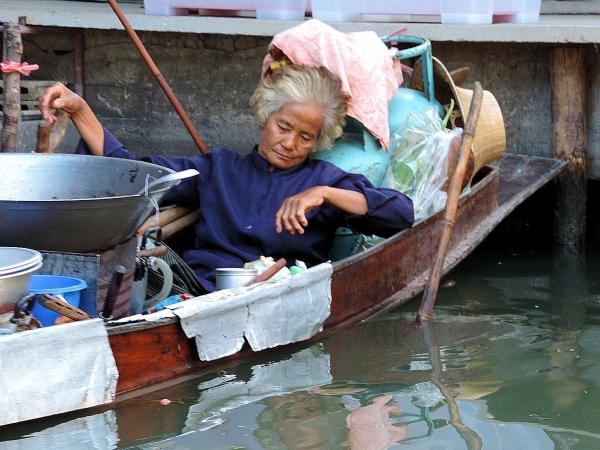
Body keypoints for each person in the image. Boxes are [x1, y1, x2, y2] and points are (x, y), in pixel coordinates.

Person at [39, 65, 414, 293]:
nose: (290, 144)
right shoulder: (218, 168)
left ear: (320, 140)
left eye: (306, 137)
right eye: (283, 127)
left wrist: (327, 195)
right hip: (198, 290)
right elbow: (137, 172)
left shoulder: (324, 179)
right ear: (263, 118)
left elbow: (401, 215)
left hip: (277, 292)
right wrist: (81, 109)